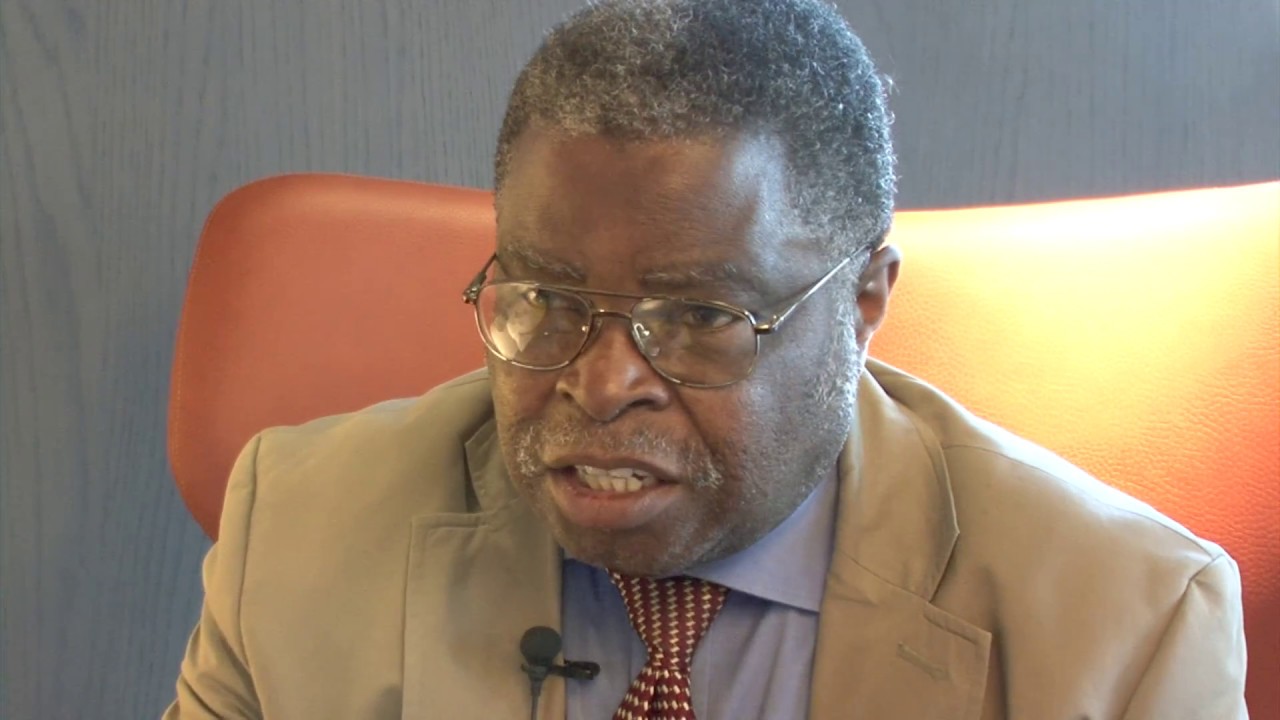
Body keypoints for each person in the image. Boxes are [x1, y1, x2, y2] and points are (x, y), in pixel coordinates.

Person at [164, 1, 1248, 718]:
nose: (600, 385)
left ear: (864, 302)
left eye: (696, 315)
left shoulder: (1127, 631)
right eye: (548, 299)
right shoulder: (297, 532)